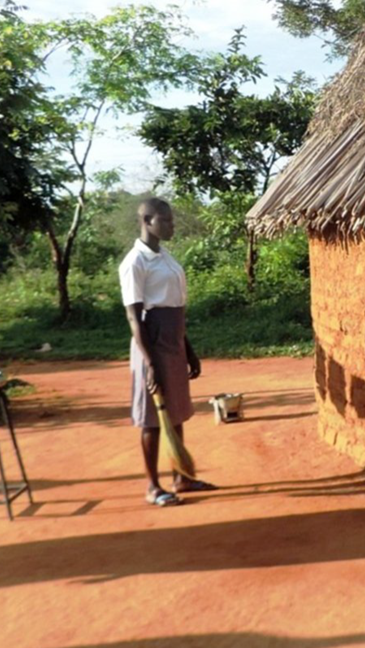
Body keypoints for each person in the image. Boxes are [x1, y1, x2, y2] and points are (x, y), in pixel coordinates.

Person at [119, 198, 217, 507]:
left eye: (172, 221)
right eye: (166, 221)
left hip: (173, 339)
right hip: (152, 341)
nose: (172, 226)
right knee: (152, 416)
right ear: (147, 220)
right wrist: (149, 363)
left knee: (175, 411)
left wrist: (188, 350)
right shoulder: (135, 262)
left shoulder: (165, 257)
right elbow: (135, 317)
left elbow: (176, 308)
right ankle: (152, 486)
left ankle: (182, 477)